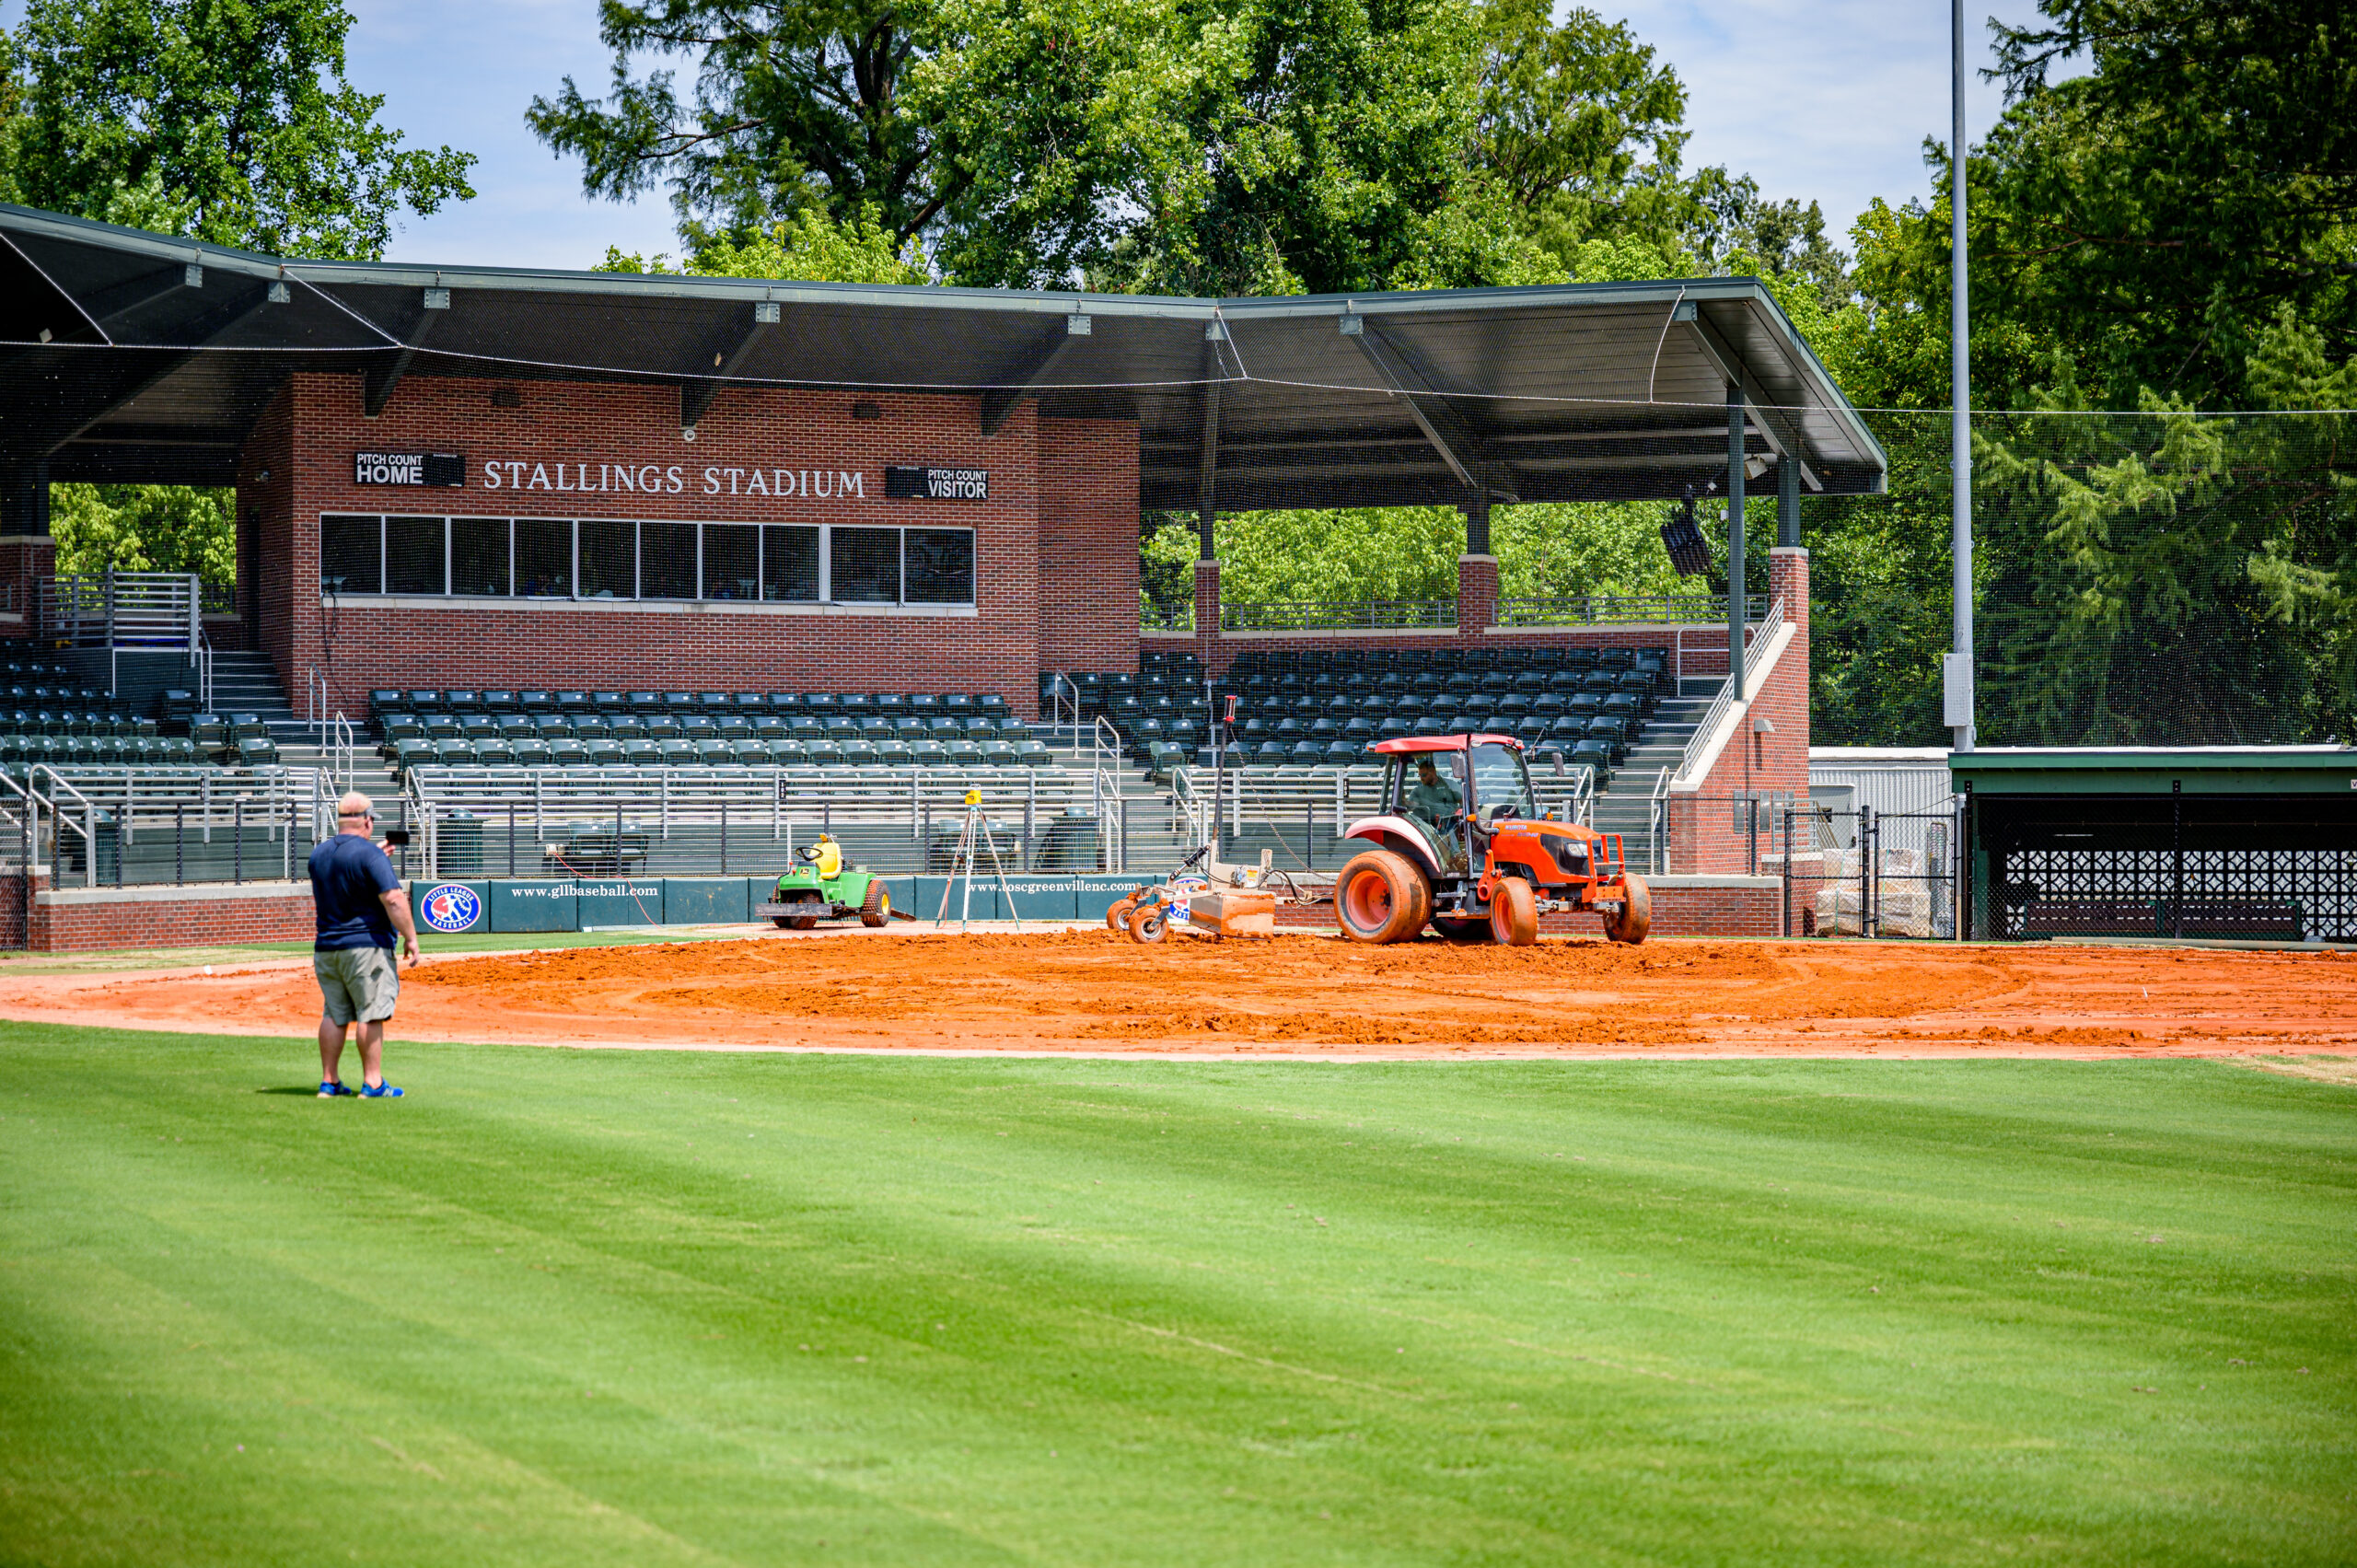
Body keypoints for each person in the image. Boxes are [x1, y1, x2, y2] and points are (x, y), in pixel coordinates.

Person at [308, 791, 420, 1098]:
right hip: (365, 946)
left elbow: (347, 882)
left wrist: (375, 859)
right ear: (367, 820)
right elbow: (393, 898)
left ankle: (328, 1083)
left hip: (327, 948)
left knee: (333, 1013)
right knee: (370, 1012)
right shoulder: (369, 855)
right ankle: (372, 1083)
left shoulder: (318, 854)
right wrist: (410, 937)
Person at [1401, 753, 1467, 868]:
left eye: (1424, 775)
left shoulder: (1449, 785)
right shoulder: (1418, 791)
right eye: (1420, 775)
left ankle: (1456, 859)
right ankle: (1455, 858)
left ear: (1433, 772)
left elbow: (1463, 801)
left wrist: (1460, 810)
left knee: (1448, 825)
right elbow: (1411, 806)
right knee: (1445, 828)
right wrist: (1404, 801)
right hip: (1426, 824)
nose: (1421, 778)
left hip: (1449, 821)